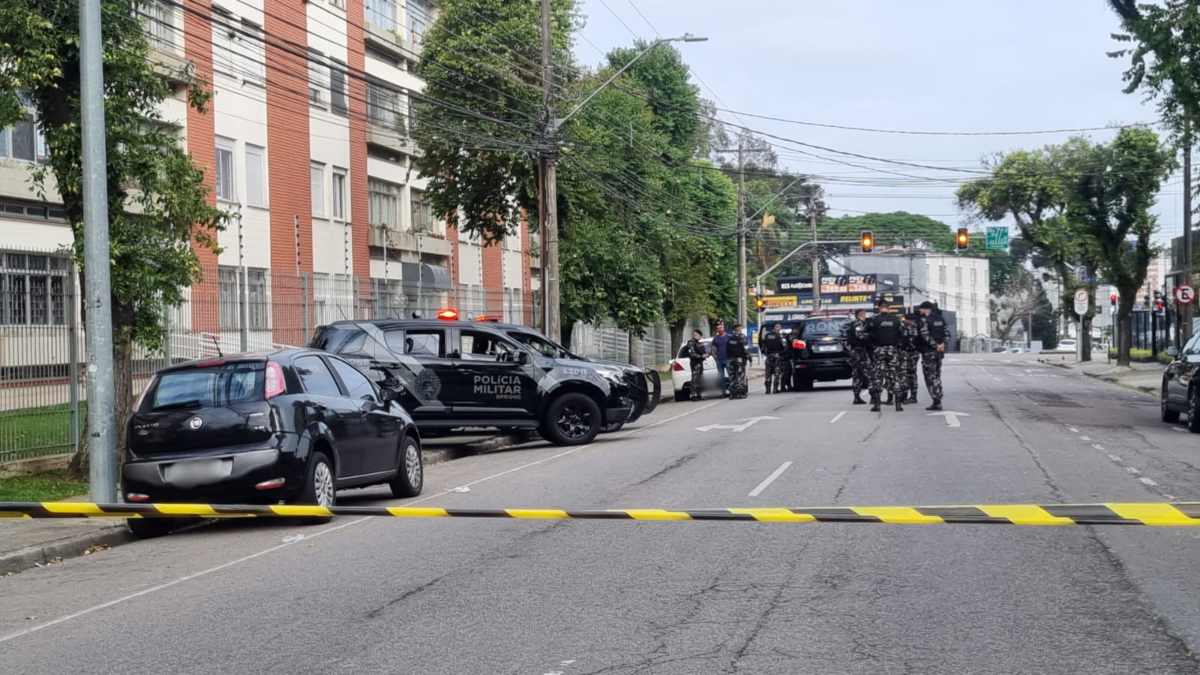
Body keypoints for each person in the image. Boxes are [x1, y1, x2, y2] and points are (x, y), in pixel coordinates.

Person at [864, 300, 904, 412]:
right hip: (892, 350)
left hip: (879, 350)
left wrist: (872, 347)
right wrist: (897, 347)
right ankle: (898, 404)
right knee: (895, 375)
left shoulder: (874, 320)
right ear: (889, 308)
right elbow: (903, 335)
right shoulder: (896, 320)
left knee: (878, 376)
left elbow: (866, 335)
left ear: (879, 308)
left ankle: (877, 405)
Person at [917, 301, 947, 410]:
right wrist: (942, 344)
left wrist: (935, 345)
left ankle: (937, 400)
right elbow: (947, 333)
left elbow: (925, 335)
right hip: (939, 352)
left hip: (929, 352)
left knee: (930, 376)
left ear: (926, 309)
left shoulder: (924, 320)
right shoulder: (940, 319)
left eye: (921, 309)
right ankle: (938, 397)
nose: (920, 311)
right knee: (937, 375)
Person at [846, 309, 871, 405]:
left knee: (858, 375)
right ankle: (873, 396)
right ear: (860, 315)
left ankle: (857, 397)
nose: (865, 315)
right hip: (859, 352)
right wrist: (871, 336)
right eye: (864, 314)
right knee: (868, 373)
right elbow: (860, 336)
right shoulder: (858, 324)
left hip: (856, 352)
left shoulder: (856, 323)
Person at [761, 323, 787, 394]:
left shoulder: (767, 336)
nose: (779, 328)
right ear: (775, 328)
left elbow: (763, 347)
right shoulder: (779, 336)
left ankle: (768, 390)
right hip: (777, 357)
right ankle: (775, 389)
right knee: (777, 373)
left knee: (768, 374)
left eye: (779, 327)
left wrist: (766, 354)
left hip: (769, 356)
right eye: (778, 327)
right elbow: (784, 347)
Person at [901, 311, 921, 405]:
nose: (904, 321)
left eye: (905, 319)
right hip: (906, 353)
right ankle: (904, 395)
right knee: (904, 374)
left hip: (912, 353)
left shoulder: (913, 328)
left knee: (911, 374)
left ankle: (913, 396)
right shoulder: (906, 327)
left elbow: (910, 341)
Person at [727, 323, 750, 398]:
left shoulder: (730, 338)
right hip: (740, 359)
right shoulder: (742, 337)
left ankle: (733, 394)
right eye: (740, 329)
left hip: (731, 359)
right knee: (740, 376)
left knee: (732, 377)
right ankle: (741, 393)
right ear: (739, 329)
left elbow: (727, 349)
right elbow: (745, 349)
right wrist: (748, 357)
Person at [683, 330, 707, 401]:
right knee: (694, 379)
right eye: (695, 334)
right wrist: (701, 356)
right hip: (695, 363)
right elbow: (692, 354)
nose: (696, 336)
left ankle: (699, 394)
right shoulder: (691, 343)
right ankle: (693, 395)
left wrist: (705, 355)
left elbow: (702, 351)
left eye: (698, 335)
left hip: (699, 362)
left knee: (699, 379)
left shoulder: (698, 343)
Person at [710, 321, 731, 396]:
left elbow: (733, 347)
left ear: (723, 328)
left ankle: (732, 391)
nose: (719, 329)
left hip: (728, 359)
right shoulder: (715, 338)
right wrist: (715, 357)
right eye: (718, 328)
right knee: (721, 377)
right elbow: (712, 349)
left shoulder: (729, 336)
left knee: (730, 375)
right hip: (719, 360)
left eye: (721, 328)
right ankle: (723, 392)